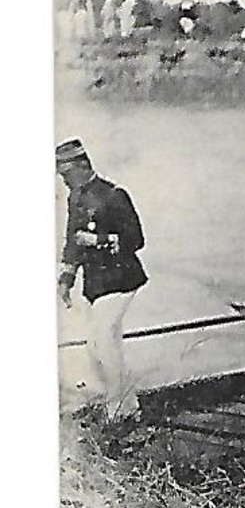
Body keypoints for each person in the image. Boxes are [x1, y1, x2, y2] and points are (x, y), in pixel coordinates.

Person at [56, 139, 148, 422]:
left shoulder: (114, 195)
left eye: (67, 175)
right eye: (61, 176)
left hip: (122, 280)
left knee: (102, 343)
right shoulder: (76, 198)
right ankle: (128, 406)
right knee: (105, 345)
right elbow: (72, 239)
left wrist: (100, 240)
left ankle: (117, 410)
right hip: (96, 285)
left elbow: (136, 239)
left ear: (83, 167)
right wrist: (66, 278)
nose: (64, 182)